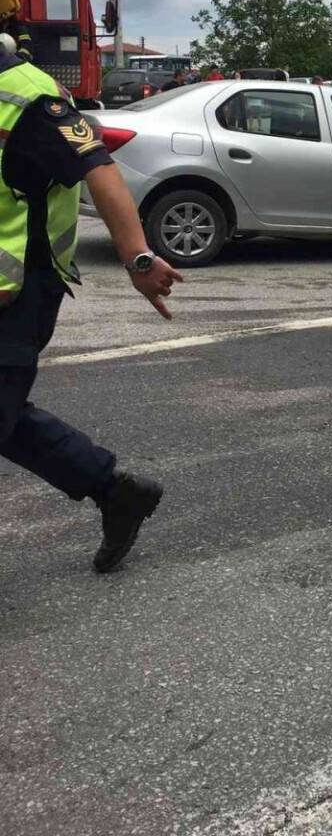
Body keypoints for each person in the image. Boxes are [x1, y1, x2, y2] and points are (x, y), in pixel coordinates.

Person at [0, 45, 182, 571]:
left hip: (18, 293)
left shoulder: (34, 100)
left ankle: (113, 489)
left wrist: (138, 258)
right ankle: (114, 490)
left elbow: (100, 171)